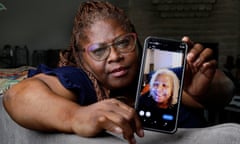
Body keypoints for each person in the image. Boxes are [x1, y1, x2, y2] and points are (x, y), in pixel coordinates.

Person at [2, 1, 235, 144]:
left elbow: (225, 91)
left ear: (136, 41)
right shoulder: (81, 80)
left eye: (123, 43)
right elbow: (18, 96)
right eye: (99, 50)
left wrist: (206, 86)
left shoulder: (158, 74)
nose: (114, 56)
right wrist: (76, 116)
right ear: (81, 57)